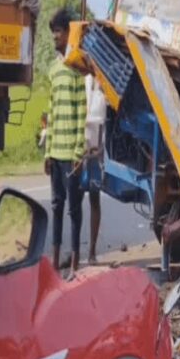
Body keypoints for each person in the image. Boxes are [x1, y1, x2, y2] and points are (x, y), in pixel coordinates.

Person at [45, 8, 87, 272]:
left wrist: (78, 152)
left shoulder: (76, 70)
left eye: (58, 33)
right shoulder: (53, 70)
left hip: (71, 154)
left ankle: (74, 262)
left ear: (68, 34)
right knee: (56, 207)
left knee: (74, 209)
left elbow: (81, 113)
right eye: (53, 33)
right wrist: (47, 152)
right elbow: (51, 111)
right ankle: (55, 259)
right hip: (55, 154)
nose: (54, 38)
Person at [82, 75, 106, 264]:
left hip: (96, 152)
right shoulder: (84, 81)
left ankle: (91, 251)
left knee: (94, 199)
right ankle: (75, 252)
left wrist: (101, 149)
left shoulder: (105, 87)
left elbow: (106, 123)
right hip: (79, 149)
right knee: (74, 202)